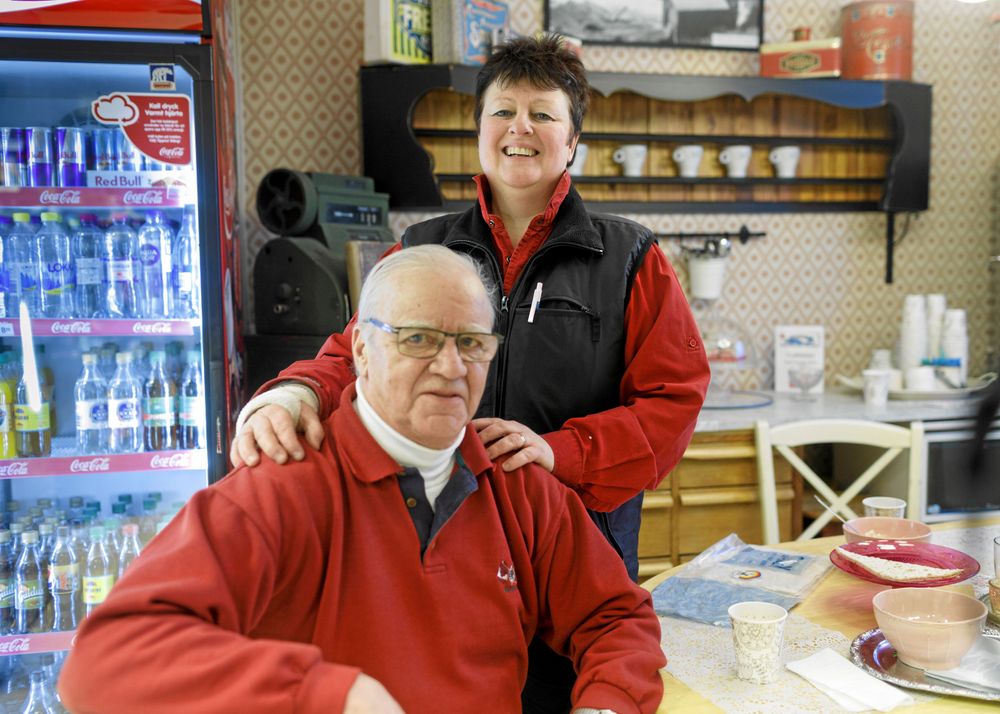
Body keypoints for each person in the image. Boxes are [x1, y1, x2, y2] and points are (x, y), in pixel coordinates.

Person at [232, 34, 709, 712]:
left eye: (543, 114)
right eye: (502, 111)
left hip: (574, 560)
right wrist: (294, 391)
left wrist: (563, 452)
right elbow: (357, 351)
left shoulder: (630, 257)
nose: (520, 128)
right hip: (437, 555)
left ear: (573, 140)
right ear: (479, 131)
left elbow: (673, 401)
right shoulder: (424, 247)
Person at [58, 245, 666, 714]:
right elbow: (103, 661)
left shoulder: (518, 486)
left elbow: (618, 618)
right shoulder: (282, 487)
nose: (451, 366)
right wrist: (327, 695)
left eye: (471, 343)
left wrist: (608, 704)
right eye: (419, 339)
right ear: (361, 351)